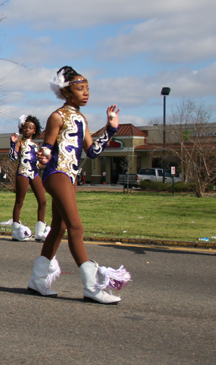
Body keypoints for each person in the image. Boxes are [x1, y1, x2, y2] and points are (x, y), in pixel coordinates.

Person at [28, 66, 130, 304]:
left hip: (71, 177)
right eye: (80, 88)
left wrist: (111, 128)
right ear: (66, 92)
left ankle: (37, 280)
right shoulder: (57, 116)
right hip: (56, 174)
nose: (86, 93)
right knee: (76, 227)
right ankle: (92, 287)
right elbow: (47, 147)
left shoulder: (81, 118)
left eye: (87, 88)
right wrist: (42, 156)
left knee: (60, 228)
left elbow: (92, 152)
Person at [8, 115, 50, 241]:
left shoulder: (36, 146)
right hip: (23, 173)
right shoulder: (19, 142)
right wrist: (12, 144)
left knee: (43, 200)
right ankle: (15, 231)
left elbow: (38, 164)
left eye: (30, 127)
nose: (27, 130)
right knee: (19, 202)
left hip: (34, 173)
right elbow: (12, 158)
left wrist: (46, 162)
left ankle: (40, 231)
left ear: (35, 130)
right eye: (25, 127)